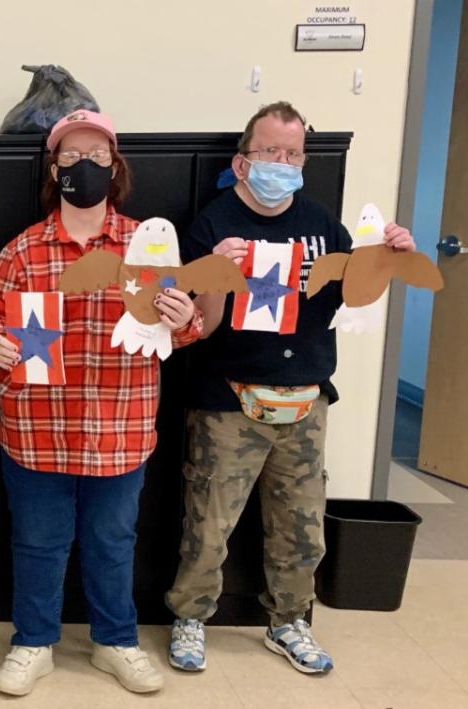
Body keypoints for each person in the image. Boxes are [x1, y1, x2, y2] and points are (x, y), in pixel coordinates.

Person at [164, 101, 416, 675]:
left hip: (305, 399)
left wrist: (386, 260)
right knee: (209, 522)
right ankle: (190, 617)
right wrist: (215, 273)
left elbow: (351, 302)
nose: (282, 163)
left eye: (293, 154)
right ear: (243, 161)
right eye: (270, 152)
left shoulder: (324, 226)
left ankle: (289, 620)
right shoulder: (211, 225)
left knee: (301, 525)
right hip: (228, 400)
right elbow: (199, 328)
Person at [0, 110, 201, 696]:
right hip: (37, 427)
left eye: (97, 155)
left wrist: (184, 320)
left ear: (115, 166)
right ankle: (33, 641)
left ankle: (115, 641)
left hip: (119, 427)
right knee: (37, 543)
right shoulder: (23, 250)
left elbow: (178, 330)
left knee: (112, 543)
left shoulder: (148, 244)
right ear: (54, 170)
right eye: (71, 155)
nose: (84, 165)